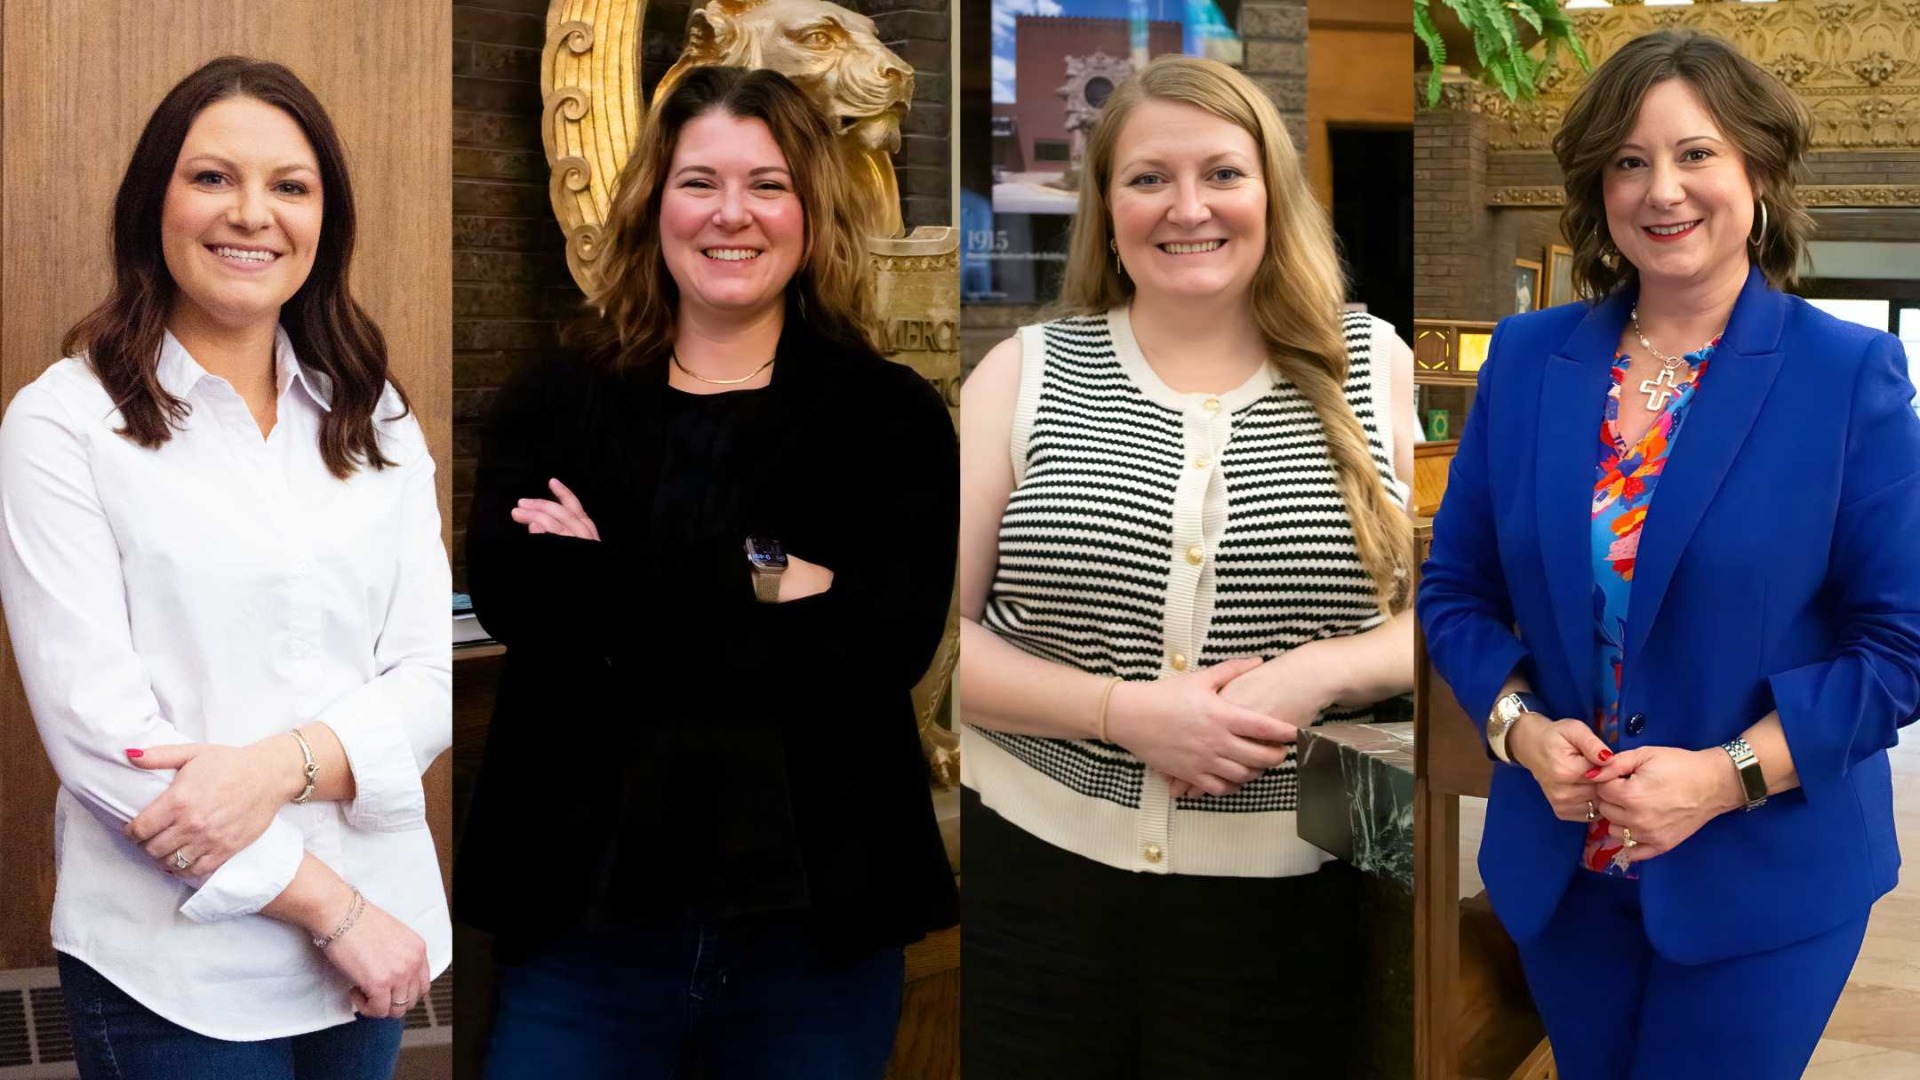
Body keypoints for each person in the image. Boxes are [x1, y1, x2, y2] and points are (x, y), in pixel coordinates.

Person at [1419, 29, 1920, 1078]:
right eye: (1630, 161)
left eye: (1696, 154)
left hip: (1761, 875)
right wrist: (1515, 728)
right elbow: (1456, 593)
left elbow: (1901, 647)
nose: (1662, 189)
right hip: (1567, 874)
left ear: (1759, 172)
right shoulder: (1527, 360)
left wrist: (1725, 777)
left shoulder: (1849, 376)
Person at [456, 66, 958, 1078]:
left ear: (811, 210)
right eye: (701, 182)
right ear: (654, 206)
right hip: (584, 935)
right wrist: (781, 577)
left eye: (767, 184)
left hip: (814, 939)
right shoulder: (557, 400)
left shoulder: (887, 415)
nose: (733, 214)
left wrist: (615, 570)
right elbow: (520, 596)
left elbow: (884, 642)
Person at [957, 54, 1416, 1077]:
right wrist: (1124, 713)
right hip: (1038, 883)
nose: (1187, 206)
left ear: (1271, 193)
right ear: (1108, 208)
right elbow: (938, 641)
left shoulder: (1368, 359)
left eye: (1221, 173)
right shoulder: (1024, 373)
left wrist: (1318, 674)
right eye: (1148, 177)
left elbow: (1444, 614)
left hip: (1296, 894)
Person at [0, 57, 450, 1078]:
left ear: (324, 220)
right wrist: (334, 911)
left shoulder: (375, 417)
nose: (252, 214)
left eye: (290, 186)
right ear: (153, 201)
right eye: (213, 178)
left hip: (382, 930)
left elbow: (428, 681)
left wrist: (269, 768)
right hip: (179, 964)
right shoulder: (63, 423)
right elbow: (105, 744)